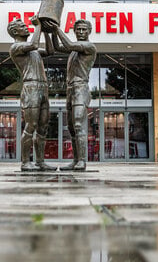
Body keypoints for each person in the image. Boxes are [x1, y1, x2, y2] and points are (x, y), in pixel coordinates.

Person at [7, 17, 53, 171]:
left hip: (43, 87)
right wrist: (38, 26)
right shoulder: (16, 47)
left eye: (26, 26)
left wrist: (46, 32)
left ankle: (40, 161)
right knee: (31, 125)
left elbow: (49, 51)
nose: (26, 28)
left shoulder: (33, 51)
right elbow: (33, 43)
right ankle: (25, 162)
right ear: (15, 31)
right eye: (22, 26)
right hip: (31, 87)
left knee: (43, 127)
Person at [52, 19, 96, 171]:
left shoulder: (89, 47)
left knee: (78, 124)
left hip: (80, 88)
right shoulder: (73, 51)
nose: (81, 32)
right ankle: (75, 160)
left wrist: (56, 28)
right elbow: (57, 46)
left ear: (89, 31)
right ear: (74, 31)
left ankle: (82, 161)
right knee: (71, 128)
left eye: (84, 29)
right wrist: (49, 31)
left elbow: (69, 44)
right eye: (78, 30)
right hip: (70, 90)